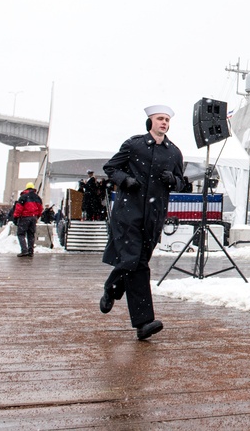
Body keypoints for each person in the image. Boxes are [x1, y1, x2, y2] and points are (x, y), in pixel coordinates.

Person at [100, 104, 185, 341]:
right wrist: (125, 180)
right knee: (136, 264)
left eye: (167, 119)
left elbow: (181, 182)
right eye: (160, 119)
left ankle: (111, 287)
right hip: (129, 213)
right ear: (150, 122)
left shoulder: (174, 152)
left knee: (136, 261)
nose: (164, 123)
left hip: (154, 216)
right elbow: (110, 168)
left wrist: (173, 180)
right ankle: (143, 322)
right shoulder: (134, 145)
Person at [12, 182, 43, 257]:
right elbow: (40, 209)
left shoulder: (23, 196)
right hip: (33, 217)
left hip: (24, 217)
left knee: (21, 234)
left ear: (26, 188)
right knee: (31, 234)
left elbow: (18, 208)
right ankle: (30, 251)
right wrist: (36, 216)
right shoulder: (37, 197)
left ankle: (24, 250)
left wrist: (16, 217)